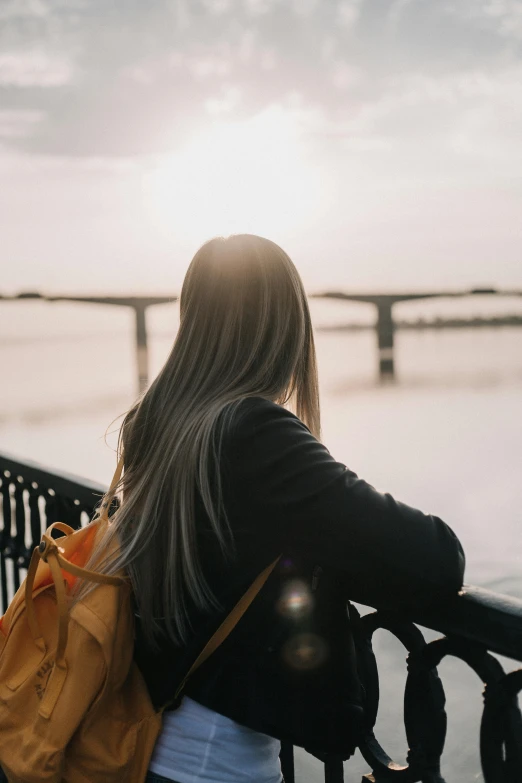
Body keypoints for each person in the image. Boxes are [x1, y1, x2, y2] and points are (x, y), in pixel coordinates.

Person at [88, 234, 465, 783]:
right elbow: (436, 558)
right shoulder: (255, 433)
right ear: (285, 326)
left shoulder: (157, 424)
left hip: (146, 744)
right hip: (215, 765)